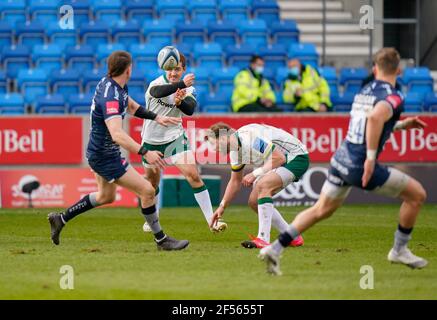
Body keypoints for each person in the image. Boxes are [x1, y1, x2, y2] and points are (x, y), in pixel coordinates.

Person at [259, 48, 428, 276]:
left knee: (321, 209)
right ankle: (399, 250)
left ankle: (275, 248)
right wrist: (370, 159)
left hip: (341, 159)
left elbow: (368, 122)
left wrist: (399, 125)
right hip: (359, 163)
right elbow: (376, 118)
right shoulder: (394, 95)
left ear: (374, 69)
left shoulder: (364, 91)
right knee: (417, 195)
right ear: (399, 70)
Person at [47, 50, 189, 251]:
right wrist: (145, 151)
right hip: (105, 156)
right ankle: (161, 240)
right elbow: (117, 134)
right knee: (147, 191)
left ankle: (60, 218)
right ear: (128, 69)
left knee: (106, 196)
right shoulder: (111, 96)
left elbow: (131, 107)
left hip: (98, 152)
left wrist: (156, 117)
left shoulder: (113, 84)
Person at [140, 52, 227, 233]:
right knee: (151, 184)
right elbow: (158, 93)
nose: (173, 73)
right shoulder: (156, 84)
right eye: (170, 69)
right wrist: (180, 85)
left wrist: (180, 103)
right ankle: (152, 219)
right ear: (165, 68)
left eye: (177, 69)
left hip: (175, 137)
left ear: (184, 69)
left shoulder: (189, 89)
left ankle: (213, 222)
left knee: (193, 176)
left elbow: (189, 110)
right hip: (151, 141)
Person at [206, 122, 307, 248]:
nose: (213, 149)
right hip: (280, 161)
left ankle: (263, 238)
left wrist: (255, 174)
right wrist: (222, 207)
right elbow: (235, 181)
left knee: (263, 186)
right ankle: (292, 236)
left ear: (222, 138)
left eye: (213, 143)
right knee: (254, 202)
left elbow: (279, 158)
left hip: (296, 157)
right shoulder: (235, 152)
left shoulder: (249, 138)